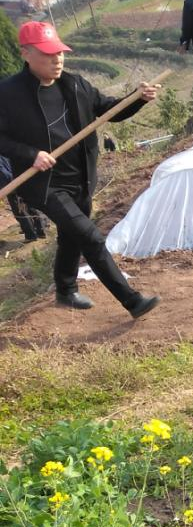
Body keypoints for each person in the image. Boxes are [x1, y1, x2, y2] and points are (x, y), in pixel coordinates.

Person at [0, 22, 160, 317]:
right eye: (47, 54)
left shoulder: (75, 84)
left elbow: (109, 110)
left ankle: (66, 290)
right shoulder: (8, 94)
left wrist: (137, 100)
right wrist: (31, 154)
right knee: (90, 236)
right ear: (26, 54)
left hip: (82, 177)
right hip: (44, 184)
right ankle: (132, 301)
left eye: (59, 53)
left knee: (71, 234)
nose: (56, 60)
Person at [1, 155, 49, 243]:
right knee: (29, 205)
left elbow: (5, 174)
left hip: (12, 185)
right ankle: (41, 230)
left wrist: (7, 187)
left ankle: (30, 235)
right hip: (20, 179)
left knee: (19, 211)